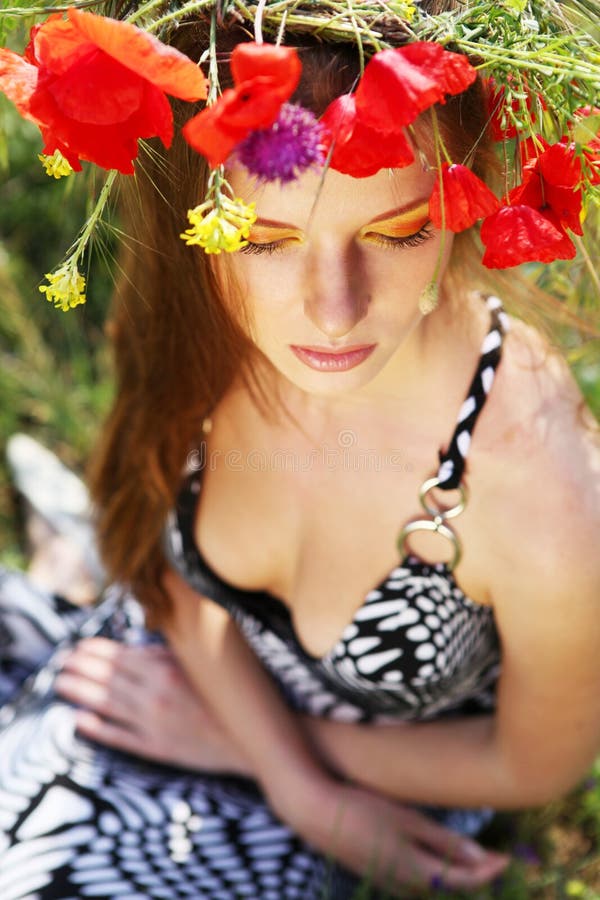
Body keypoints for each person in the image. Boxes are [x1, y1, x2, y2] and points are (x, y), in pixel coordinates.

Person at [0, 0, 599, 897]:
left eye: (396, 232)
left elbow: (531, 766)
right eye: (265, 240)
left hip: (372, 789)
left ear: (466, 194)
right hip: (165, 678)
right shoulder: (206, 327)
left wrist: (290, 778)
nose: (331, 311)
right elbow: (163, 563)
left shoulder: (547, 497)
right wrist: (265, 754)